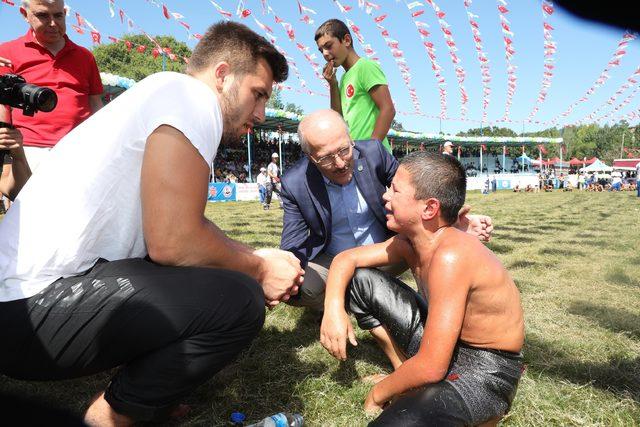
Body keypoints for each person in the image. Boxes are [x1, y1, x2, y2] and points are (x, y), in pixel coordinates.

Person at [0, 21, 303, 425]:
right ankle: (113, 415)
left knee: (211, 280)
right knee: (239, 300)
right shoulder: (192, 98)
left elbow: (181, 239)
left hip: (24, 306)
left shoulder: (162, 93)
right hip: (26, 311)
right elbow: (175, 242)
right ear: (223, 74)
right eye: (258, 94)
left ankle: (146, 395)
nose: (262, 114)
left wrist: (250, 254)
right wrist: (260, 268)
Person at [320, 151, 524, 426]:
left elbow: (431, 365)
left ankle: (476, 410)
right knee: (361, 280)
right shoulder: (411, 241)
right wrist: (333, 309)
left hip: (486, 370)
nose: (385, 197)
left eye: (395, 190)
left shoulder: (451, 255)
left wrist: (378, 393)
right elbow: (347, 259)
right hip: (444, 348)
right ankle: (404, 372)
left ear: (429, 209)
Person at [280, 109, 493, 311]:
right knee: (297, 285)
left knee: (428, 241)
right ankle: (354, 298)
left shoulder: (373, 152)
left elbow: (417, 193)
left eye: (344, 150)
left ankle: (362, 295)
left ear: (350, 138)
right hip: (332, 259)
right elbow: (292, 246)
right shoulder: (295, 182)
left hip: (384, 251)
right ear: (310, 157)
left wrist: (453, 222)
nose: (339, 163)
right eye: (326, 158)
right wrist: (278, 273)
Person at [0, 0, 103, 172]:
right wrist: (7, 150)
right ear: (25, 15)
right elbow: (3, 105)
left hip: (81, 149)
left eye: (58, 15)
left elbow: (95, 104)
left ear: (64, 12)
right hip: (29, 150)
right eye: (43, 15)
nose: (53, 23)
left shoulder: (85, 56)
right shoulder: (6, 53)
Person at [315, 19, 395, 153]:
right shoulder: (344, 78)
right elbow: (338, 120)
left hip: (375, 157)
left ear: (346, 40)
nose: (325, 53)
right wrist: (333, 84)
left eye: (328, 46)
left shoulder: (365, 67)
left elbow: (388, 109)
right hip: (356, 155)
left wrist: (370, 150)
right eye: (321, 50)